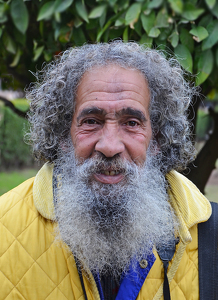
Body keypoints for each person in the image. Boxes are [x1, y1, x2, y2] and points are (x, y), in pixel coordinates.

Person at [0, 41, 211, 300]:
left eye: (131, 123)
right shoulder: (3, 227)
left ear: (156, 139)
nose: (110, 146)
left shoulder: (211, 238)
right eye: (91, 121)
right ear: (64, 135)